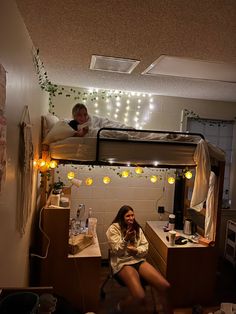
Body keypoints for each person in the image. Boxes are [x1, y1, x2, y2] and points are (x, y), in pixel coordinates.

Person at [106, 205, 173, 314]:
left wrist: (136, 250)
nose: (131, 218)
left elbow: (145, 247)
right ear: (121, 217)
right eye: (127, 216)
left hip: (138, 260)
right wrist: (126, 238)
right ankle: (120, 306)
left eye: (132, 215)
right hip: (122, 262)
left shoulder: (137, 228)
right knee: (140, 297)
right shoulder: (114, 228)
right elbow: (118, 251)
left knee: (165, 286)